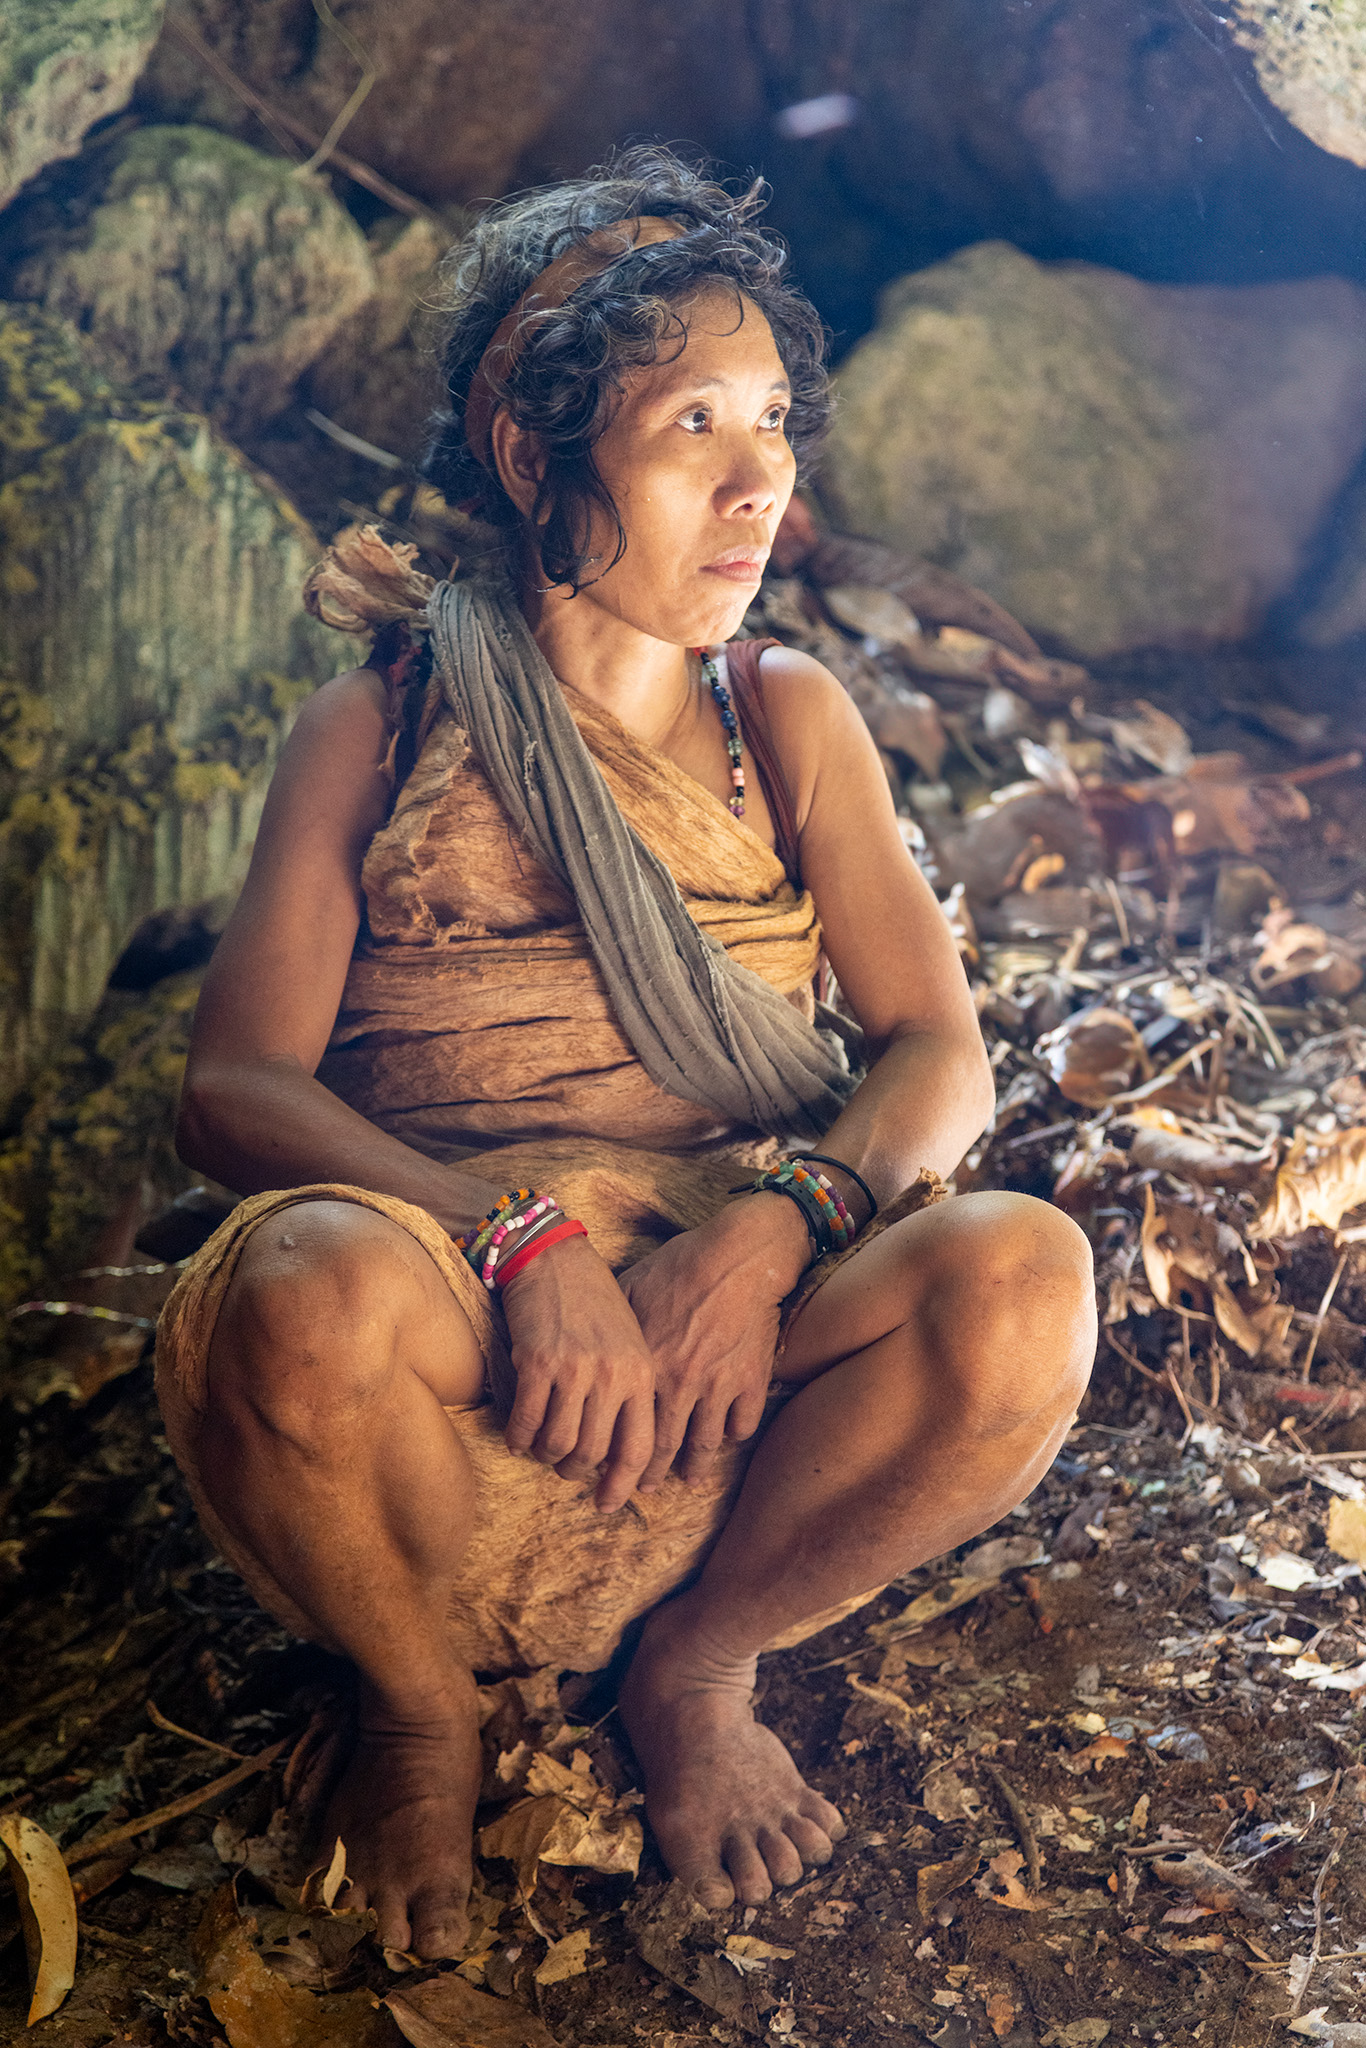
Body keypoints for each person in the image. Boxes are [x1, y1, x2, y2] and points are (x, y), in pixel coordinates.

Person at [155, 147, 1095, 1961]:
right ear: (534, 454)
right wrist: (510, 1235)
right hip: (452, 1298)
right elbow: (232, 1092)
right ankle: (421, 1703)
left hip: (743, 1331)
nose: (761, 486)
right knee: (295, 1296)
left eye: (770, 423)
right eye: (690, 428)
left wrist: (765, 1235)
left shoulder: (785, 717)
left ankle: (703, 1652)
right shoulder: (381, 721)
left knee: (1022, 1285)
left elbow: (931, 1053)